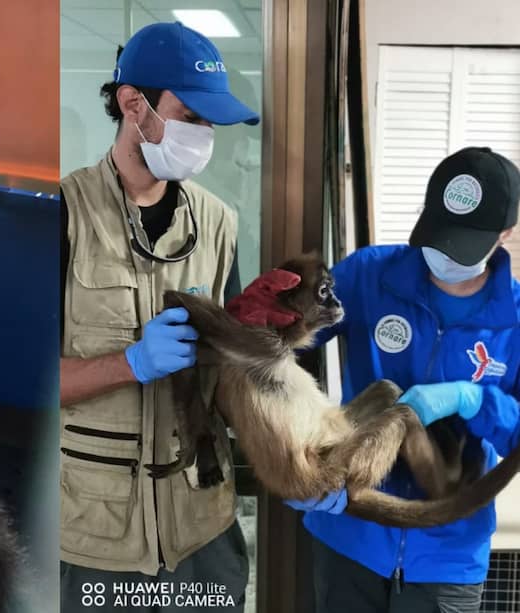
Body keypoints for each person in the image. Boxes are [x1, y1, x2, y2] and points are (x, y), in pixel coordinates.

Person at [58, 21, 259, 613]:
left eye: (209, 125)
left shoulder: (219, 223)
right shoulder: (65, 216)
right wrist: (129, 363)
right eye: (191, 118)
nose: (203, 136)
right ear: (132, 104)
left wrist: (292, 451)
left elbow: (234, 376)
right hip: (96, 542)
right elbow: (17, 386)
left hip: (202, 532)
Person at [280, 147, 520, 612]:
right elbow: (280, 346)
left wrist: (474, 400)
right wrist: (294, 460)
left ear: (505, 235)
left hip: (447, 553)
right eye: (439, 234)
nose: (445, 255)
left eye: (463, 243)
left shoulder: (515, 316)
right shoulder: (370, 274)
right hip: (348, 533)